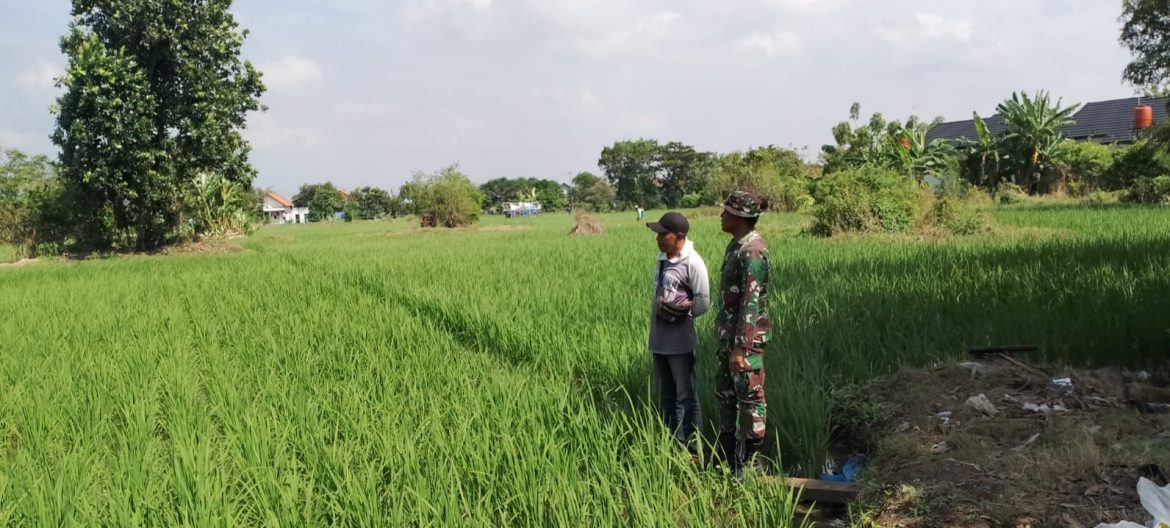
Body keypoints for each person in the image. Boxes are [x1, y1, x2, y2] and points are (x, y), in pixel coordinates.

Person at [714, 191, 771, 474]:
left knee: (750, 400)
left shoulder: (753, 251)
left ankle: (750, 464)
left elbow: (751, 301)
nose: (721, 215)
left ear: (740, 217)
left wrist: (742, 348)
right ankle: (728, 460)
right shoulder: (735, 246)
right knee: (726, 396)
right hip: (728, 339)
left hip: (744, 345)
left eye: (726, 212)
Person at [646, 211, 710, 456]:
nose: (658, 238)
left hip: (680, 341)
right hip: (659, 339)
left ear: (679, 236)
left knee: (686, 395)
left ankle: (693, 448)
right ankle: (672, 443)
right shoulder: (662, 258)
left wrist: (682, 313)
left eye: (663, 234)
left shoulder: (693, 262)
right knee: (666, 394)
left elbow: (703, 302)